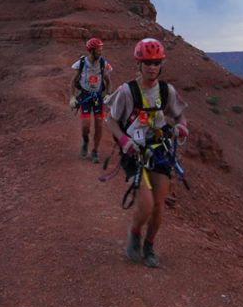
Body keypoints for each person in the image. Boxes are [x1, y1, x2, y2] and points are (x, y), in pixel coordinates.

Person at [106, 37, 189, 268]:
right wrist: (123, 140)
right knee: (146, 204)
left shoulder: (166, 90)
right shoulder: (126, 92)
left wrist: (182, 127)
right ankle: (134, 234)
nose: (152, 67)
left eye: (156, 63)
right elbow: (110, 119)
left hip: (158, 150)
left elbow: (180, 114)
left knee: (159, 203)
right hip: (133, 151)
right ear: (139, 65)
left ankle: (149, 246)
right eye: (147, 63)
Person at [69, 37, 113, 163]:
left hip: (98, 98)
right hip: (85, 97)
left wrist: (108, 94)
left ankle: (95, 151)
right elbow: (73, 81)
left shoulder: (103, 63)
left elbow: (108, 81)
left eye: (101, 49)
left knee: (99, 125)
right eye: (98, 50)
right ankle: (85, 140)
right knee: (86, 125)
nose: (101, 52)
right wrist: (72, 97)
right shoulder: (82, 63)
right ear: (91, 50)